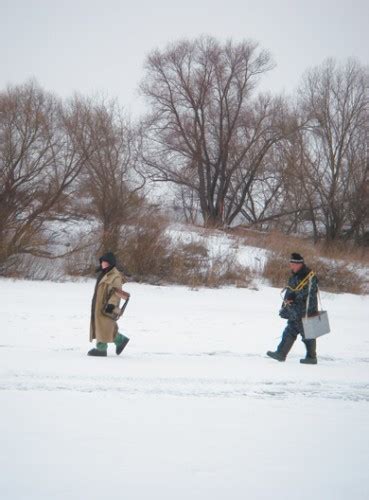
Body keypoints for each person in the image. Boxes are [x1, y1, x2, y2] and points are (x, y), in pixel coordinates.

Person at [266, 252, 318, 365]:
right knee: (292, 330)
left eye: (293, 264)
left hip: (305, 310)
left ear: (299, 264)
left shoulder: (309, 276)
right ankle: (281, 353)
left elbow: (309, 291)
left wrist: (294, 296)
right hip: (296, 310)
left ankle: (311, 357)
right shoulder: (296, 275)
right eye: (290, 263)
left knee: (305, 332)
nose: (291, 266)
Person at [88, 252, 130, 357]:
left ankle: (102, 349)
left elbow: (117, 292)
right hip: (99, 305)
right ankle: (120, 341)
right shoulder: (105, 273)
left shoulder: (115, 276)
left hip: (107, 306)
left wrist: (111, 304)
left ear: (111, 263)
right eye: (102, 261)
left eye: (106, 262)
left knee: (104, 326)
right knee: (103, 326)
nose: (103, 264)